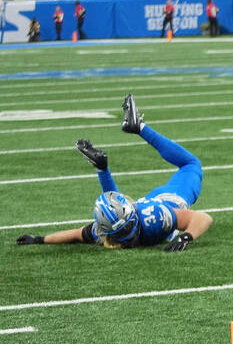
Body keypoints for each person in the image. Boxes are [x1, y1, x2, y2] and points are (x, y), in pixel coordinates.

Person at [16, 95, 212, 251]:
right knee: (191, 164)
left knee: (189, 165)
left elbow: (78, 233)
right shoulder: (149, 221)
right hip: (163, 201)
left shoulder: (116, 227)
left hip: (160, 202)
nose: (129, 233)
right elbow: (202, 218)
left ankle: (103, 169)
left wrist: (40, 239)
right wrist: (39, 239)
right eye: (125, 229)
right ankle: (138, 129)